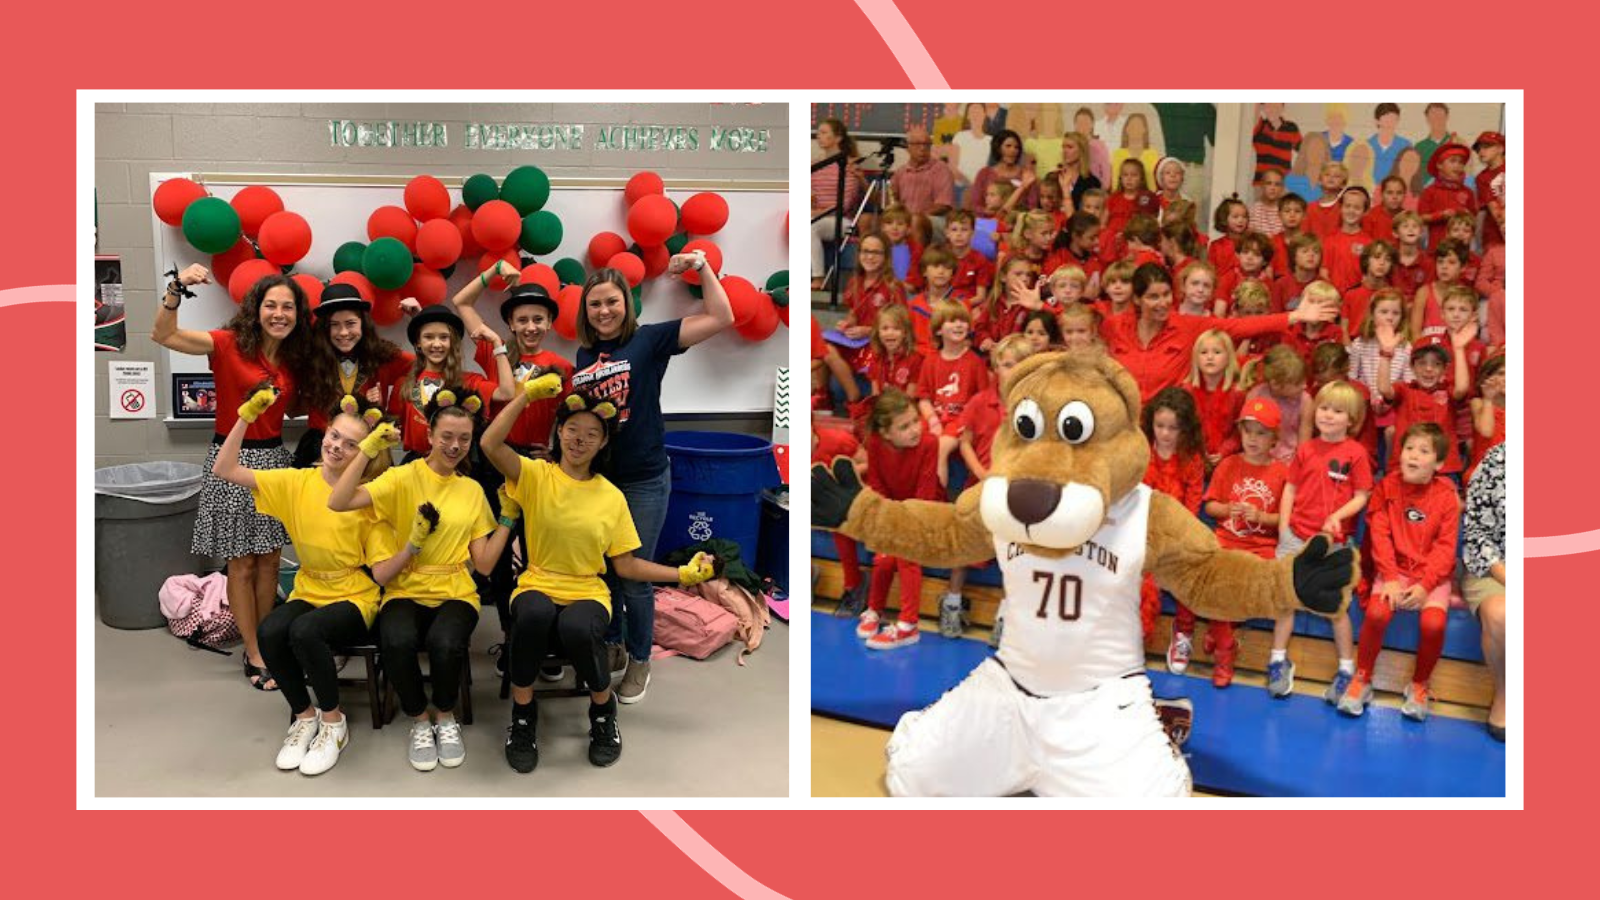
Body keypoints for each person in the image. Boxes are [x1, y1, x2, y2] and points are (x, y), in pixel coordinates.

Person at [480, 383, 715, 772]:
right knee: (532, 615)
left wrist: (682, 573)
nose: (579, 440)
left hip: (588, 588)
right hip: (538, 581)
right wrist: (525, 396)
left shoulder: (611, 497)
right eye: (572, 429)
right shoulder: (537, 475)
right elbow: (490, 443)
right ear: (558, 433)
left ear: (604, 442)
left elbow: (626, 567)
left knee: (577, 627)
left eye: (592, 434)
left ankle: (603, 713)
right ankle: (523, 717)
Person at [570, 253, 735, 704]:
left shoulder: (651, 340)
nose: (603, 311)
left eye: (611, 302)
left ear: (627, 303)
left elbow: (722, 317)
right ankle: (614, 644)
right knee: (605, 572)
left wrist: (702, 268)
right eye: (594, 305)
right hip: (600, 483)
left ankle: (641, 658)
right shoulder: (585, 355)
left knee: (635, 577)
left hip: (643, 480)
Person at [153, 265, 316, 691]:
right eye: (271, 305)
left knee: (270, 562)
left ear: (297, 315)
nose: (279, 313)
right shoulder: (227, 344)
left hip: (274, 461)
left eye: (288, 307)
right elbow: (165, 336)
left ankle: (268, 641)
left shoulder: (295, 358)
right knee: (241, 566)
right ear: (256, 309)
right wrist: (176, 287)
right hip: (231, 458)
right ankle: (255, 652)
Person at [214, 392, 394, 775]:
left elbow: (379, 568)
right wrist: (244, 417)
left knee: (305, 631)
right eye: (333, 436)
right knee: (271, 630)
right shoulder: (296, 482)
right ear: (323, 433)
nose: (337, 447)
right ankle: (304, 716)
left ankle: (334, 723)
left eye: (351, 445)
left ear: (364, 451)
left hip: (354, 595)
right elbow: (225, 469)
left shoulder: (366, 494)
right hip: (310, 588)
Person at [328, 388, 507, 772]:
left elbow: (486, 566)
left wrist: (507, 519)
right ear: (429, 435)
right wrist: (366, 450)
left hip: (456, 589)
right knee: (396, 639)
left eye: (464, 438)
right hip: (404, 588)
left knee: (446, 643)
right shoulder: (400, 478)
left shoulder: (473, 490)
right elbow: (338, 502)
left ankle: (445, 714)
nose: (455, 445)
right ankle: (419, 719)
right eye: (446, 436)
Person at [1338, 422, 1460, 720]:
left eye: (1423, 451)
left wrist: (1424, 586)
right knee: (1378, 613)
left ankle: (1419, 685)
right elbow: (1379, 537)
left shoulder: (1446, 496)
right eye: (1408, 448)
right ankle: (1362, 679)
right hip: (1394, 570)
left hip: (1431, 575)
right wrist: (1391, 579)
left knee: (1433, 624)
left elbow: (1446, 548)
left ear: (1439, 464)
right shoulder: (1387, 487)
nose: (1413, 455)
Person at [1100, 263, 1336, 404]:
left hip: (1166, 424)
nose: (1162, 303)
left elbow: (1240, 327)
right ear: (1137, 300)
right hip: (1124, 424)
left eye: (1166, 295)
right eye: (1153, 297)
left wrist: (1294, 316)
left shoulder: (1188, 325)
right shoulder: (1113, 326)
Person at [948, 335, 1036, 642]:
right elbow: (965, 442)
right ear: (996, 366)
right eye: (1007, 364)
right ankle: (952, 603)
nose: (1013, 370)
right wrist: (982, 474)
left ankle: (1005, 615)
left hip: (1015, 493)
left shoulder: (1033, 408)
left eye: (1020, 365)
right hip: (980, 487)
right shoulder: (979, 400)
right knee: (964, 547)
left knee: (1012, 556)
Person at [1197, 398, 1287, 687]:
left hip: (1261, 547)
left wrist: (1260, 515)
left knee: (1247, 586)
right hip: (1225, 540)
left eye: (1261, 433)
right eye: (1248, 431)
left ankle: (1218, 633)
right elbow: (1210, 506)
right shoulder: (1228, 464)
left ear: (1275, 438)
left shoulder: (1282, 472)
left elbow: (1285, 520)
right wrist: (1227, 510)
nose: (1252, 439)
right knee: (1213, 582)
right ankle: (1226, 651)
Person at [855, 389, 943, 649]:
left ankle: (908, 626)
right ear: (886, 433)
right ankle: (875, 609)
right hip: (893, 511)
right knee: (882, 558)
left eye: (916, 420)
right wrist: (888, 523)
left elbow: (926, 493)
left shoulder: (929, 444)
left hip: (925, 512)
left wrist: (902, 526)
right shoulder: (874, 444)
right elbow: (877, 487)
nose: (915, 429)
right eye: (905, 426)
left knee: (906, 556)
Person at [294, 282, 413, 467]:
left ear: (363, 325)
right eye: (334, 325)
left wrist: (419, 319)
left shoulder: (382, 356)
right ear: (325, 329)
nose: (343, 332)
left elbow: (428, 362)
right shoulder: (310, 359)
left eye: (350, 324)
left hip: (367, 448)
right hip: (321, 449)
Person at [390, 303, 514, 458]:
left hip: (455, 465)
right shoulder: (404, 385)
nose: (437, 344)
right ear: (418, 344)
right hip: (415, 466)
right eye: (428, 337)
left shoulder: (468, 381)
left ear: (452, 343)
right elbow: (392, 429)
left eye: (444, 337)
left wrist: (496, 343)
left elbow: (507, 393)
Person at [1139, 388, 1205, 642]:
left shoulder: (1192, 459)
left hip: (1177, 532)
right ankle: (1133, 634)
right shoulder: (1142, 452)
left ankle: (1184, 634)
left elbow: (1192, 506)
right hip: (1142, 530)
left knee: (1187, 571)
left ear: (1185, 429)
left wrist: (1177, 538)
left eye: (1173, 428)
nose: (1165, 433)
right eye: (1160, 426)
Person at [1377, 332, 1471, 480]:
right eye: (1422, 363)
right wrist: (1386, 354)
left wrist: (1459, 350)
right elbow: (1384, 388)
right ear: (1412, 366)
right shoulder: (1404, 390)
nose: (1429, 369)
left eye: (1436, 364)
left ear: (1444, 369)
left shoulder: (1448, 390)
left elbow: (1462, 389)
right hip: (1406, 467)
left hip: (1443, 469)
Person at [1462, 443, 1506, 741]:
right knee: (1502, 615)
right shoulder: (1498, 458)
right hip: (1497, 567)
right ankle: (1507, 693)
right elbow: (1477, 531)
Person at [811, 117, 866, 289]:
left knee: (810, 227)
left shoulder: (849, 166)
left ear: (838, 137)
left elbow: (845, 204)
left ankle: (818, 277)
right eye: (818, 133)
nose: (819, 136)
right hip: (816, 215)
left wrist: (816, 213)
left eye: (824, 132)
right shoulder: (813, 165)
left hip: (842, 221)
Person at [1184, 329, 1245, 468]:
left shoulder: (1237, 393)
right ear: (1196, 358)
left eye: (1217, 352)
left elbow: (1240, 430)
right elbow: (1184, 428)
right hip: (1193, 460)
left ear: (1228, 357)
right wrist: (1197, 449)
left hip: (1228, 461)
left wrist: (1224, 451)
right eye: (1204, 352)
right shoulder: (1187, 392)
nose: (1209, 357)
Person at [1245, 346, 1314, 465]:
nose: (1304, 386)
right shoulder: (1255, 396)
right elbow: (1248, 435)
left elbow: (1304, 446)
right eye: (1298, 383)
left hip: (1291, 461)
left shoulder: (1305, 401)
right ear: (1275, 384)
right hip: (1260, 458)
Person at [1418, 142, 1477, 248]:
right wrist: (1441, 215)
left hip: (1461, 250)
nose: (1457, 166)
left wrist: (1467, 215)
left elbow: (1473, 219)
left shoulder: (1468, 192)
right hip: (1437, 248)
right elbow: (1421, 218)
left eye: (1461, 162)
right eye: (1453, 161)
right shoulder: (1430, 191)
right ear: (1439, 165)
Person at [891, 125, 955, 220]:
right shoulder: (900, 172)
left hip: (932, 219)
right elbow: (889, 200)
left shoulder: (941, 169)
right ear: (907, 147)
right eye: (917, 144)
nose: (922, 148)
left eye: (926, 144)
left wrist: (916, 218)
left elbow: (943, 205)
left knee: (916, 221)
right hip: (905, 221)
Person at [967, 128, 1037, 213]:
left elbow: (1032, 206)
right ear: (998, 148)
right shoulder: (984, 173)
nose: (1013, 150)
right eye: (1008, 146)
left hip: (1016, 222)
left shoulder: (1026, 175)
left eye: (1016, 147)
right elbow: (975, 205)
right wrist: (989, 213)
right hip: (987, 222)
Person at [1055, 131, 1102, 211]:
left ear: (1081, 150)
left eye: (1070, 147)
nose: (1065, 151)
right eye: (1063, 147)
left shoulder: (1092, 182)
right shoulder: (1054, 177)